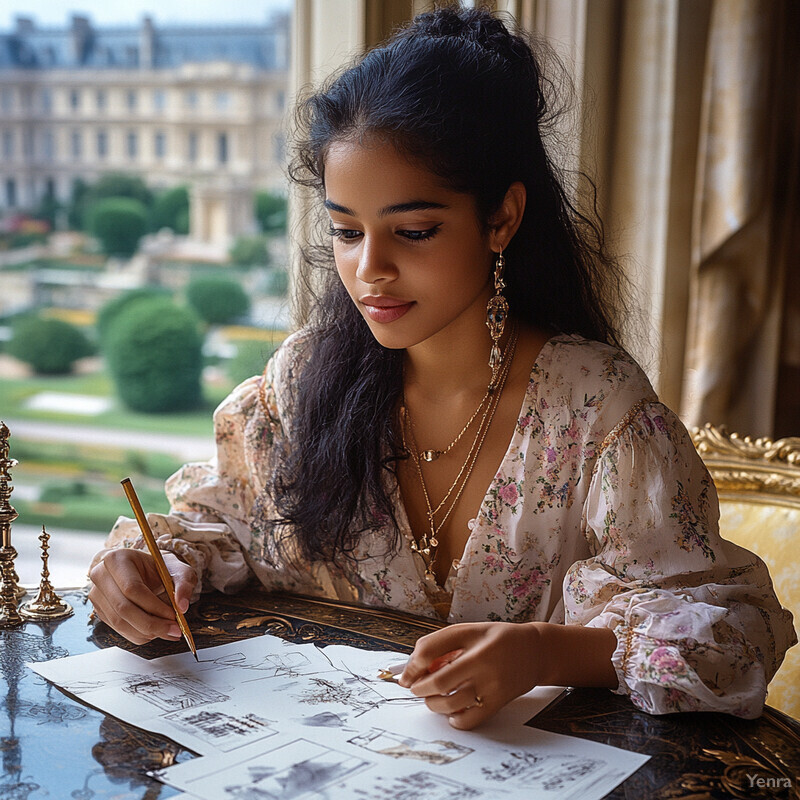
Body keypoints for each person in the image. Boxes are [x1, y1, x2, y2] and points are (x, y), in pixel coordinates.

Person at [88, 6, 795, 730]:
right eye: (346, 231)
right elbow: (219, 531)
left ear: (501, 220)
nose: (370, 271)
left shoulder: (598, 412)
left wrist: (544, 653)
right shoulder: (300, 386)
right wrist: (144, 573)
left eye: (415, 231)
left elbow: (732, 646)